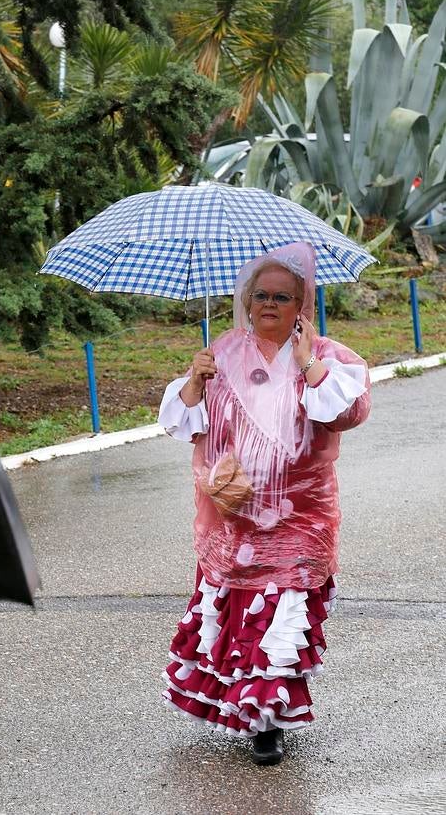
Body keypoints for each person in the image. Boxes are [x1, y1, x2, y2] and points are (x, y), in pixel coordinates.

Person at [158, 242, 371, 766]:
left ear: (302, 304)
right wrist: (194, 382)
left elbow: (349, 413)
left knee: (281, 612)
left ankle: (268, 722)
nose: (269, 305)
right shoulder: (221, 354)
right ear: (246, 300)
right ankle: (250, 710)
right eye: (261, 296)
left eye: (283, 296)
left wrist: (307, 366)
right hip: (235, 516)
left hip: (302, 517)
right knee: (239, 613)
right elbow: (181, 425)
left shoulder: (329, 356)